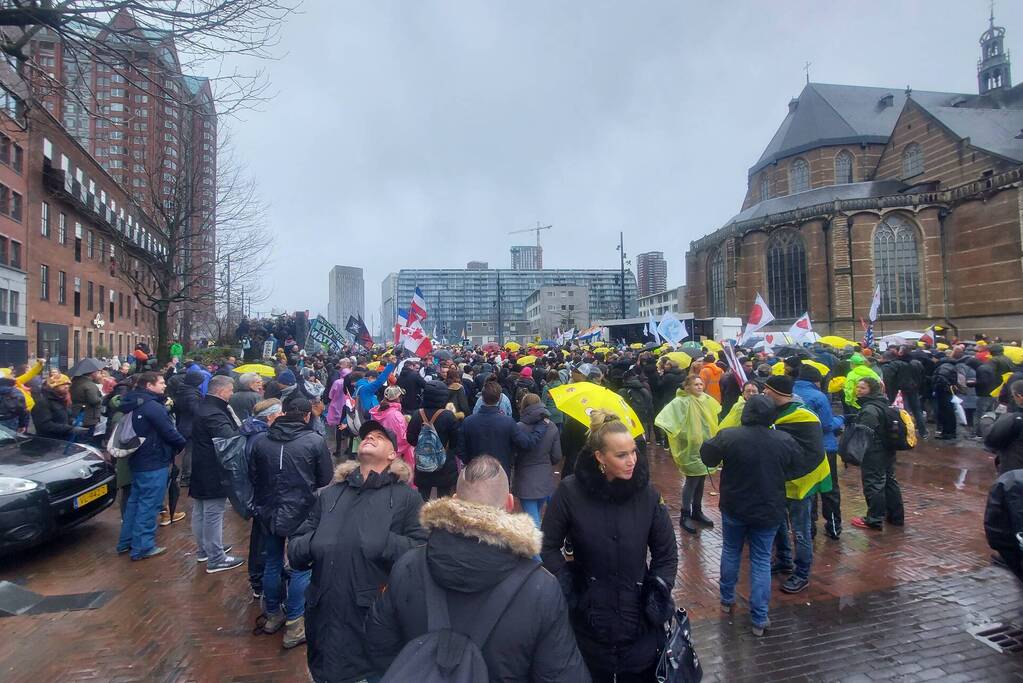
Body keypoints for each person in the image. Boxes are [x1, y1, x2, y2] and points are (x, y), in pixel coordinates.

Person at [366, 455, 590, 681]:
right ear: (509, 504)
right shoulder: (541, 588)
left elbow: (378, 642)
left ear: (454, 500)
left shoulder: (408, 565)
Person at [541, 410, 677, 682]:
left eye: (634, 452)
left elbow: (666, 552)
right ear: (600, 457)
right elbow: (547, 544)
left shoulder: (647, 495)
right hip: (588, 621)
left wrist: (657, 592)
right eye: (621, 455)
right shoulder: (570, 491)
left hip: (638, 621)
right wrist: (569, 585)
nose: (632, 461)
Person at [288, 419, 426, 683]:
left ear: (392, 454)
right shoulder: (329, 495)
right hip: (324, 625)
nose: (369, 437)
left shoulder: (407, 498)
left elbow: (422, 550)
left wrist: (385, 543)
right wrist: (315, 540)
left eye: (379, 436)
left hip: (370, 629)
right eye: (366, 435)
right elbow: (295, 549)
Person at [700, 395, 797, 636]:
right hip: (768, 507)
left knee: (731, 550)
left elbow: (707, 456)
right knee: (761, 559)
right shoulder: (783, 440)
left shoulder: (730, 436)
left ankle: (726, 598)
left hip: (735, 506)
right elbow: (795, 466)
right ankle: (760, 617)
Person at [249, 397, 333, 649]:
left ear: (284, 413)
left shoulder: (261, 441)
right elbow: (325, 477)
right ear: (307, 416)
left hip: (269, 510)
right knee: (301, 566)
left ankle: (273, 613)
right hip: (302, 511)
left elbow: (252, 474)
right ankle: (295, 623)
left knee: (273, 562)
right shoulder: (314, 441)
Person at [763, 375, 831, 594]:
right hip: (783, 479)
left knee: (800, 531)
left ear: (778, 393)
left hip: (802, 478)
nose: (764, 394)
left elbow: (808, 452)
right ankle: (783, 559)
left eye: (767, 390)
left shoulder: (802, 416)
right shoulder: (778, 413)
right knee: (780, 522)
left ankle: (802, 573)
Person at [116, 372, 187, 560]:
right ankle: (143, 547)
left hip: (137, 458)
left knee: (135, 501)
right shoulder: (153, 407)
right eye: (161, 383)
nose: (164, 385)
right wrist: (181, 445)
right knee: (150, 504)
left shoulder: (131, 402)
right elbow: (169, 432)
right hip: (154, 460)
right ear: (149, 385)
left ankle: (126, 542)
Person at [189, 375, 245, 573]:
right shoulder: (215, 413)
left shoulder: (204, 408)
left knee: (200, 510)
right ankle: (216, 557)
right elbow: (229, 439)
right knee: (213, 512)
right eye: (230, 390)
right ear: (222, 391)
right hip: (213, 469)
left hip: (200, 465)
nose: (231, 394)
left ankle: (205, 549)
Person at [655, 374, 720, 534]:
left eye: (701, 384)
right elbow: (666, 420)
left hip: (704, 446)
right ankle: (685, 514)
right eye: (696, 384)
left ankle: (697, 511)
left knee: (701, 479)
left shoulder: (705, 399)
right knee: (692, 481)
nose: (699, 387)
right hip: (690, 449)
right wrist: (683, 435)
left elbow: (712, 417)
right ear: (687, 387)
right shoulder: (680, 402)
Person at [794, 365, 845, 539]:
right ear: (816, 380)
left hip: (799, 448)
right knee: (829, 488)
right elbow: (827, 425)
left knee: (808, 488)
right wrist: (841, 419)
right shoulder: (818, 396)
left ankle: (809, 527)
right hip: (824, 447)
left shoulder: (790, 393)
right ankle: (833, 526)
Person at [239, 398, 282, 601]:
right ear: (270, 416)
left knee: (260, 540)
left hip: (259, 497)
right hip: (263, 497)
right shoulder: (261, 437)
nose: (283, 417)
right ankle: (260, 582)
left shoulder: (252, 432)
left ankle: (259, 579)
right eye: (280, 414)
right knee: (262, 543)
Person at [850, 377, 906, 531]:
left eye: (863, 388)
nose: (858, 390)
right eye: (858, 387)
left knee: (874, 483)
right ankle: (896, 516)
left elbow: (865, 433)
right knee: (889, 481)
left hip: (874, 451)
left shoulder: (869, 409)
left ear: (871, 390)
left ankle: (874, 519)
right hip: (888, 449)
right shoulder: (883, 403)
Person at [462, 379, 548, 475]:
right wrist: (541, 426)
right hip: (501, 472)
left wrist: (470, 462)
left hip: (476, 472)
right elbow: (527, 443)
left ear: (482, 398)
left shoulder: (468, 422)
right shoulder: (508, 422)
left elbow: (461, 450)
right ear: (499, 398)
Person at [514, 393, 562, 528]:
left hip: (525, 477)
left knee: (532, 520)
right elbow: (557, 455)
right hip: (545, 477)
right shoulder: (551, 426)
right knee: (536, 516)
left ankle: (537, 546)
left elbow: (514, 454)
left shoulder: (519, 427)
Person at [407, 380, 461, 500]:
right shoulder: (448, 416)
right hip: (445, 464)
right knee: (444, 499)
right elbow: (455, 442)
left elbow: (410, 439)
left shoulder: (417, 414)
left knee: (422, 499)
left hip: (423, 463)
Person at [369, 385, 416, 475]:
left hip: (379, 450)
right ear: (398, 398)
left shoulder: (377, 411)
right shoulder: (396, 415)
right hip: (394, 455)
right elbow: (402, 439)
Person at [172, 370, 204, 489]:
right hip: (191, 426)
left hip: (183, 424)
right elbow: (195, 410)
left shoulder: (182, 391)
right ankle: (186, 476)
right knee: (189, 452)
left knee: (185, 451)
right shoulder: (192, 394)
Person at [985, 380, 1023, 475]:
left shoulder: (1014, 419)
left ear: (1020, 397)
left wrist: (986, 420)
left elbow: (991, 439)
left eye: (1013, 396)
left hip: (1015, 474)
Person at [32, 374, 86, 439]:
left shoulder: (63, 400)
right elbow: (44, 425)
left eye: (68, 384)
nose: (66, 386)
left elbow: (65, 417)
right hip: (49, 441)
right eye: (62, 384)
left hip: (63, 439)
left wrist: (72, 422)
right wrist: (69, 429)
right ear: (53, 387)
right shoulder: (43, 402)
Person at [70, 369, 103, 440]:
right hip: (88, 415)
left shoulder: (74, 382)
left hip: (76, 412)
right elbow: (93, 400)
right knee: (86, 437)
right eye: (97, 372)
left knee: (76, 436)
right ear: (92, 374)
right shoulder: (90, 385)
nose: (99, 375)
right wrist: (101, 398)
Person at [932, 354, 960, 440]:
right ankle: (951, 432)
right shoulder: (952, 366)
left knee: (945, 413)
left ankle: (947, 433)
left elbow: (940, 379)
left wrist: (936, 387)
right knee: (950, 413)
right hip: (949, 392)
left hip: (943, 393)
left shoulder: (943, 367)